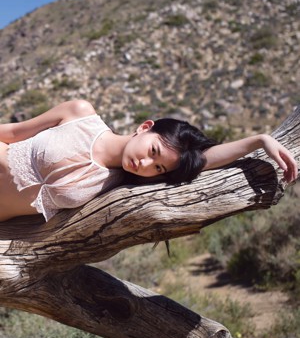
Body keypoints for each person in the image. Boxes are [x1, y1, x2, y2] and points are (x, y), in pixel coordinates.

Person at [0, 99, 298, 222]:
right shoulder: (79, 114)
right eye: (153, 151)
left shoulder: (116, 182)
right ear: (145, 127)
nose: (144, 165)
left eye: (157, 168)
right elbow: (12, 131)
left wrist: (259, 140)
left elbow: (201, 161)